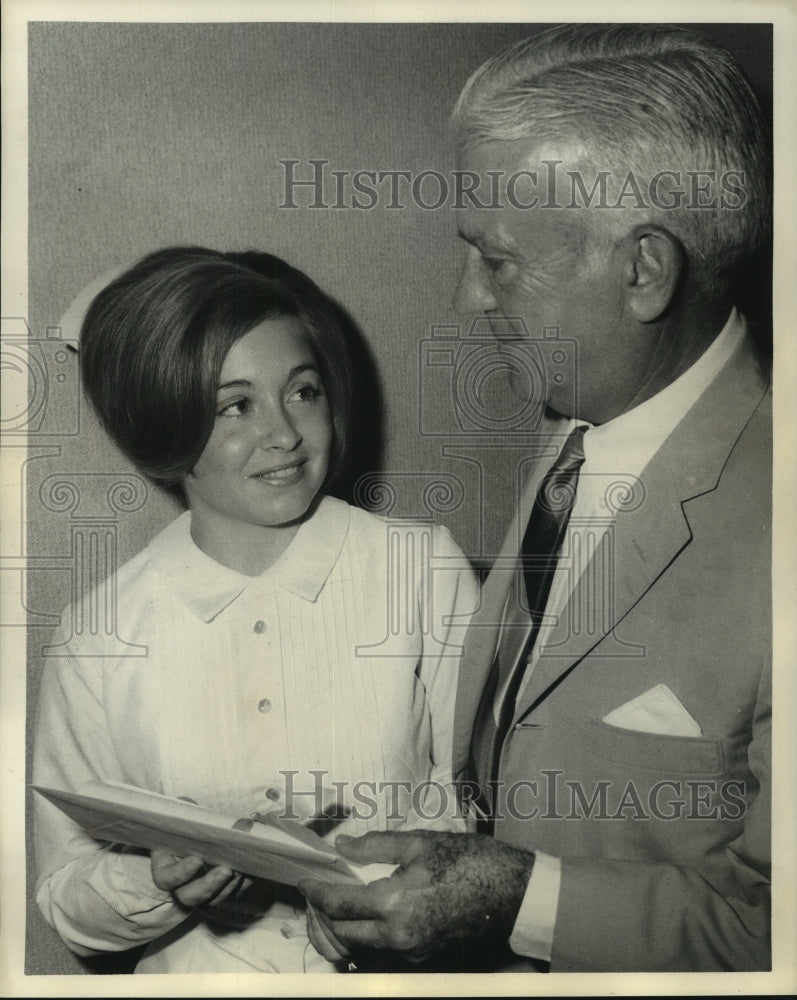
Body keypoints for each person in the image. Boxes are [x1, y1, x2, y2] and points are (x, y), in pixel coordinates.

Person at [300, 24, 772, 972]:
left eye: (498, 260)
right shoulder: (577, 419)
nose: (467, 294)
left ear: (642, 270)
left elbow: (773, 931)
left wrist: (517, 899)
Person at [32, 247, 478, 973]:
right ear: (165, 428)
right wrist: (156, 882)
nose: (284, 433)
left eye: (302, 391)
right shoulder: (97, 634)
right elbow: (65, 897)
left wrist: (393, 897)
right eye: (235, 405)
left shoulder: (420, 569)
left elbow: (483, 804)